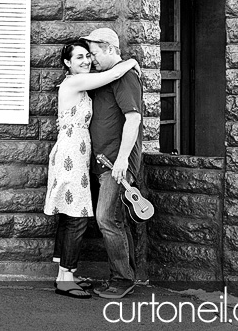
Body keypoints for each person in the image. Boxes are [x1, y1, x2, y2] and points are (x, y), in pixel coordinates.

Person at [45, 40, 140, 299]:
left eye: (88, 55)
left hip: (77, 153)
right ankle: (65, 278)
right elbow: (112, 73)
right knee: (76, 217)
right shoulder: (74, 82)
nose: (86, 61)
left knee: (70, 216)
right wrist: (130, 62)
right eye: (79, 58)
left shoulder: (82, 82)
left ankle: (66, 274)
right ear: (67, 63)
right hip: (71, 154)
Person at [81, 27, 144, 300]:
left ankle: (122, 279)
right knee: (115, 219)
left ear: (109, 48)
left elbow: (133, 119)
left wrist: (121, 161)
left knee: (106, 217)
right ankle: (123, 275)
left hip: (117, 163)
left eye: (95, 53)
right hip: (105, 161)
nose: (92, 59)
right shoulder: (107, 76)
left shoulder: (126, 77)